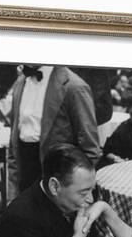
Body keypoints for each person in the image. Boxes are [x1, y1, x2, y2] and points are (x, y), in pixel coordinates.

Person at [7, 65, 100, 200]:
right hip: (25, 177)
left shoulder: (74, 86)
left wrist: (77, 196)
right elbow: (13, 146)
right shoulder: (20, 84)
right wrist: (12, 194)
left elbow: (90, 148)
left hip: (60, 182)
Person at [98, 94, 132, 166]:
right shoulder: (123, 129)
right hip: (124, 165)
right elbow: (107, 152)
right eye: (131, 114)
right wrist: (117, 159)